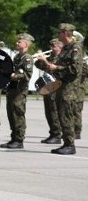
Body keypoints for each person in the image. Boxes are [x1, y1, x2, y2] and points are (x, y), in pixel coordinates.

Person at [35, 23, 84, 154]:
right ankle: (66, 143)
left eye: (60, 32)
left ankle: (70, 144)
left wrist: (57, 68)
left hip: (69, 87)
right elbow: (57, 66)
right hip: (61, 85)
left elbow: (75, 69)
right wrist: (46, 63)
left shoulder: (75, 48)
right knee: (62, 115)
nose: (58, 35)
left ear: (66, 33)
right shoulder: (66, 48)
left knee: (66, 115)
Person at [1, 33, 34, 149]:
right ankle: (13, 137)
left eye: (19, 41)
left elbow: (27, 75)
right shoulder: (17, 57)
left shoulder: (27, 58)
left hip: (20, 91)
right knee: (11, 114)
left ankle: (19, 140)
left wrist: (15, 76)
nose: (17, 43)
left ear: (26, 44)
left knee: (18, 114)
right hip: (12, 89)